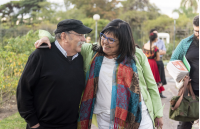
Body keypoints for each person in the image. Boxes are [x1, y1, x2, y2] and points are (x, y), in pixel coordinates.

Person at [35, 19, 164, 129]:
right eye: (103, 36)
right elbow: (59, 37)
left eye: (111, 40)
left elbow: (151, 85)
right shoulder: (92, 51)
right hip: (105, 118)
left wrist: (158, 113)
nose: (105, 42)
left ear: (123, 42)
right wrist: (45, 37)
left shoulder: (136, 54)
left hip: (137, 115)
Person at [17, 19, 92, 129]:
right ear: (64, 36)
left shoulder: (81, 59)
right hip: (42, 126)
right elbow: (23, 91)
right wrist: (34, 124)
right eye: (80, 35)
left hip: (71, 125)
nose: (84, 39)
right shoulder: (41, 55)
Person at [171, 15, 199, 129]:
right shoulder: (185, 43)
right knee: (185, 124)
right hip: (191, 88)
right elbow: (173, 60)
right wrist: (181, 73)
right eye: (197, 31)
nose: (199, 34)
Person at [149, 29, 167, 98]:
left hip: (159, 61)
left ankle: (160, 93)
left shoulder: (161, 41)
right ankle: (152, 93)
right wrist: (159, 51)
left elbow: (164, 51)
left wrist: (156, 52)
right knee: (153, 77)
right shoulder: (149, 43)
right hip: (153, 61)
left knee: (160, 77)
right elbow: (158, 52)